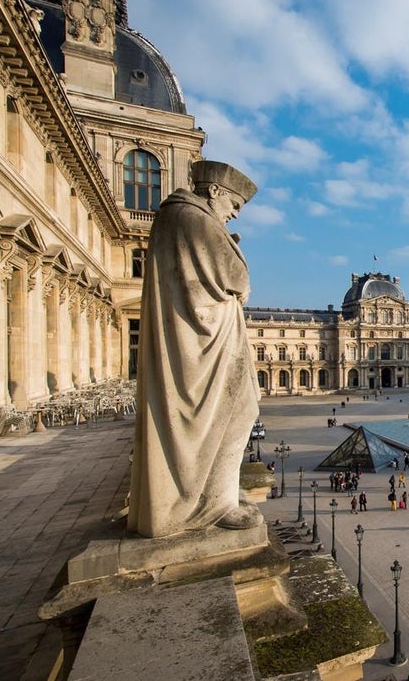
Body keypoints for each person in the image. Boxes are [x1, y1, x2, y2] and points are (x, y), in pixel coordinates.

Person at [127, 161, 262, 538]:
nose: (235, 213)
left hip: (199, 341)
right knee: (239, 411)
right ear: (215, 191)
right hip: (203, 344)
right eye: (235, 204)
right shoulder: (195, 219)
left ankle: (211, 497)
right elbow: (238, 278)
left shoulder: (177, 216)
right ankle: (214, 503)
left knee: (236, 412)